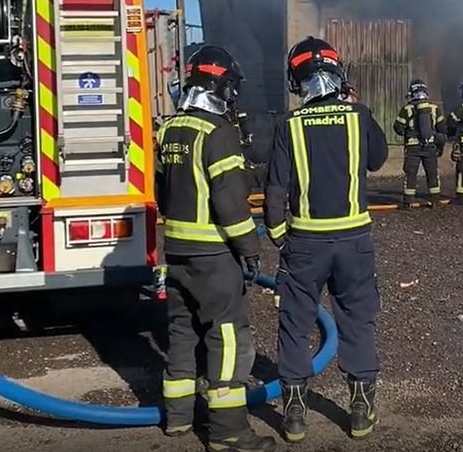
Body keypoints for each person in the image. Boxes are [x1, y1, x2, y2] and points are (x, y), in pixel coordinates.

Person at [264, 36, 389, 442]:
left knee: (296, 323)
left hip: (304, 244)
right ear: (338, 73)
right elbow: (377, 159)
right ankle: (360, 409)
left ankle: (295, 413)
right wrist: (356, 108)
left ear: (297, 79)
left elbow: (275, 190)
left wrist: (281, 237)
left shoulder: (288, 125)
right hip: (354, 241)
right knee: (357, 320)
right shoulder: (359, 115)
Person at [155, 45, 275, 451]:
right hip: (213, 254)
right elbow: (228, 202)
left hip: (177, 251)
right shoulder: (219, 132)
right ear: (220, 86)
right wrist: (249, 246)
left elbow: (162, 189)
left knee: (181, 331)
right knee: (227, 336)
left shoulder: (170, 129)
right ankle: (228, 431)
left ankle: (177, 419)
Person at [393, 79, 446, 208]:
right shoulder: (434, 108)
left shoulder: (407, 109)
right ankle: (435, 201)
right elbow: (442, 129)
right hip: (430, 147)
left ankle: (408, 202)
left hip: (412, 149)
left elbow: (398, 128)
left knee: (411, 174)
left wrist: (408, 132)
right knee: (432, 173)